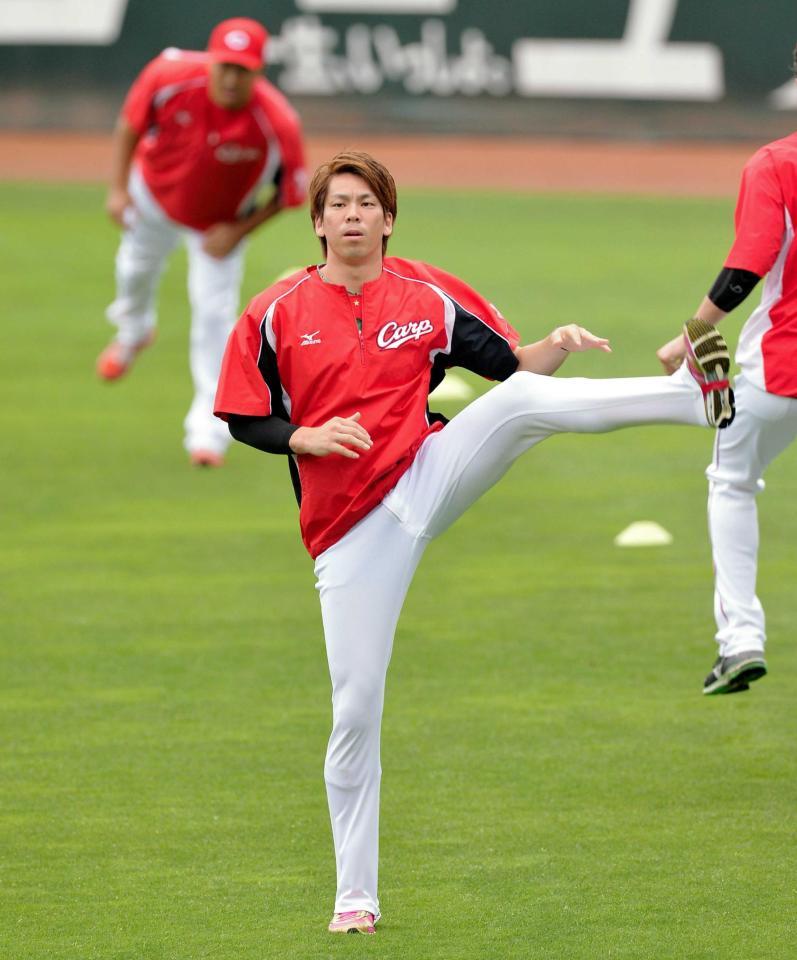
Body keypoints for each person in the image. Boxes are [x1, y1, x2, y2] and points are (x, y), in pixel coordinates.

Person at [213, 151, 734, 934]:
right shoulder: (275, 310)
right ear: (317, 222)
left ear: (388, 219)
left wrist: (554, 343)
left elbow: (512, 369)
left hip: (424, 472)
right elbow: (242, 414)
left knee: (521, 401)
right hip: (347, 531)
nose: (352, 215)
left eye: (365, 204)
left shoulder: (425, 295)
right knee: (354, 708)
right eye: (338, 204)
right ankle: (355, 898)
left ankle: (692, 398)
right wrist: (302, 437)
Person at [98, 17, 307, 467]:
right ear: (211, 62)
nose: (231, 78)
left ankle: (208, 432)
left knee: (215, 319)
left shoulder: (278, 122)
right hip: (152, 197)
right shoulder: (168, 76)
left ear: (259, 72)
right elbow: (130, 125)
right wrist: (118, 188)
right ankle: (133, 332)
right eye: (225, 66)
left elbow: (292, 193)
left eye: (243, 70)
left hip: (218, 227)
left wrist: (239, 230)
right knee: (132, 272)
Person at [657, 51, 797, 695]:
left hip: (782, 370)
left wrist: (695, 332)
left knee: (733, 481)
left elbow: (748, 265)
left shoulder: (775, 164)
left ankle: (740, 638)